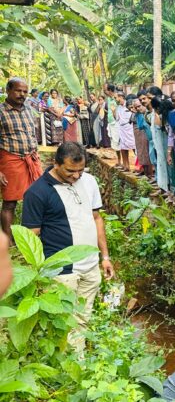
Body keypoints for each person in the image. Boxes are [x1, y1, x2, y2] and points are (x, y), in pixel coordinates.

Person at [21, 142, 115, 351]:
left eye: (80, 170)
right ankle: (74, 363)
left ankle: (79, 359)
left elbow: (96, 218)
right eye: (70, 171)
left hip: (90, 267)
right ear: (56, 163)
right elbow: (30, 237)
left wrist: (105, 257)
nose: (76, 176)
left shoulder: (89, 181)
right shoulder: (37, 193)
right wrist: (36, 273)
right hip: (62, 272)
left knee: (83, 318)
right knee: (64, 324)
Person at [0, 78, 43, 239]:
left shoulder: (28, 109)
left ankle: (32, 237)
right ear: (8, 90)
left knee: (36, 197)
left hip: (31, 159)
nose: (22, 94)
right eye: (18, 90)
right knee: (10, 202)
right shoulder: (1, 111)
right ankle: (7, 241)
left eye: (25, 91)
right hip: (11, 159)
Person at [132, 92, 154, 177]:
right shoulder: (140, 115)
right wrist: (137, 113)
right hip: (147, 137)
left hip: (151, 138)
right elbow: (140, 126)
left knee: (150, 156)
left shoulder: (149, 113)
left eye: (139, 106)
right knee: (144, 154)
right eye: (136, 107)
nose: (137, 108)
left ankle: (151, 175)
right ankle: (147, 174)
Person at [116, 95, 136, 172]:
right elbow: (117, 118)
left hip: (129, 127)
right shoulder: (118, 107)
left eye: (116, 97)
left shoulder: (129, 104)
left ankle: (139, 166)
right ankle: (126, 166)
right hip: (121, 128)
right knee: (123, 147)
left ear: (121, 97)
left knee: (134, 146)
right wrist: (113, 110)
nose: (116, 99)